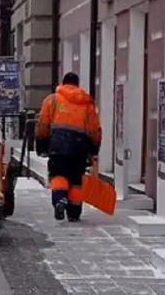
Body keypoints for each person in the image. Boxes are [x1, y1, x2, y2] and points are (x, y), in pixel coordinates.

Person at [35, 72, 102, 222]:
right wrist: (94, 147)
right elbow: (94, 129)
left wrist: (40, 142)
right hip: (80, 147)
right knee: (76, 179)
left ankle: (60, 199)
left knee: (58, 174)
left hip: (57, 145)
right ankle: (74, 212)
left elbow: (42, 125)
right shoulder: (87, 103)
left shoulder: (51, 100)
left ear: (62, 83)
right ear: (77, 85)